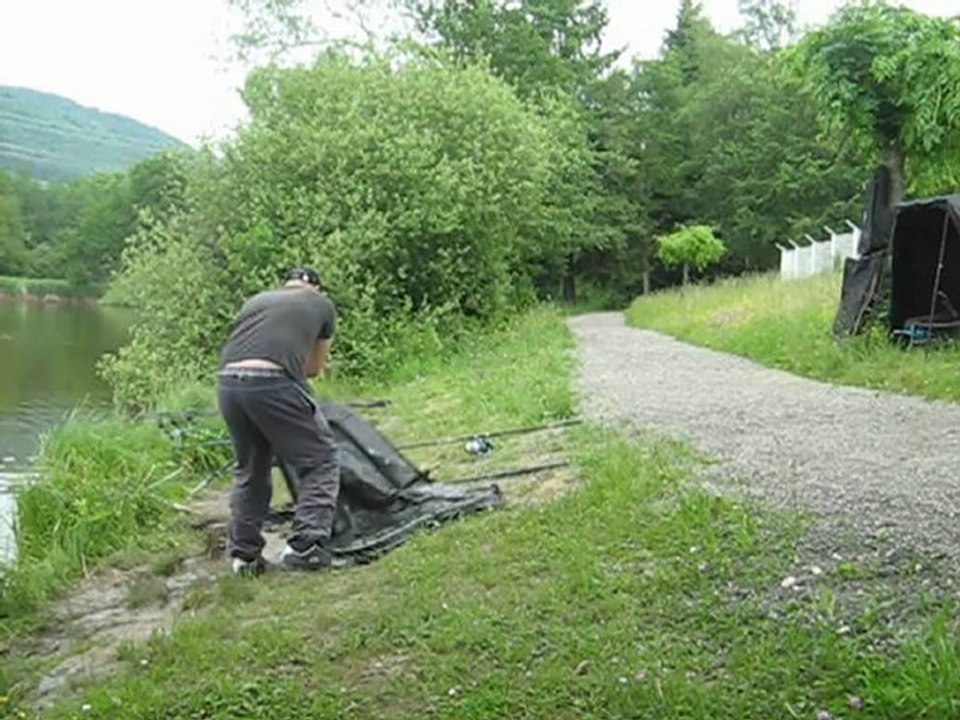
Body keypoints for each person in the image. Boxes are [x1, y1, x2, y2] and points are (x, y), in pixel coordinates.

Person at [217, 266, 340, 575]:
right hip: (273, 380)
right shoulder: (321, 304)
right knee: (320, 460)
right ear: (316, 287)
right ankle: (307, 546)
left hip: (228, 382)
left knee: (251, 469)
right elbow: (312, 369)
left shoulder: (256, 300)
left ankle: (244, 557)